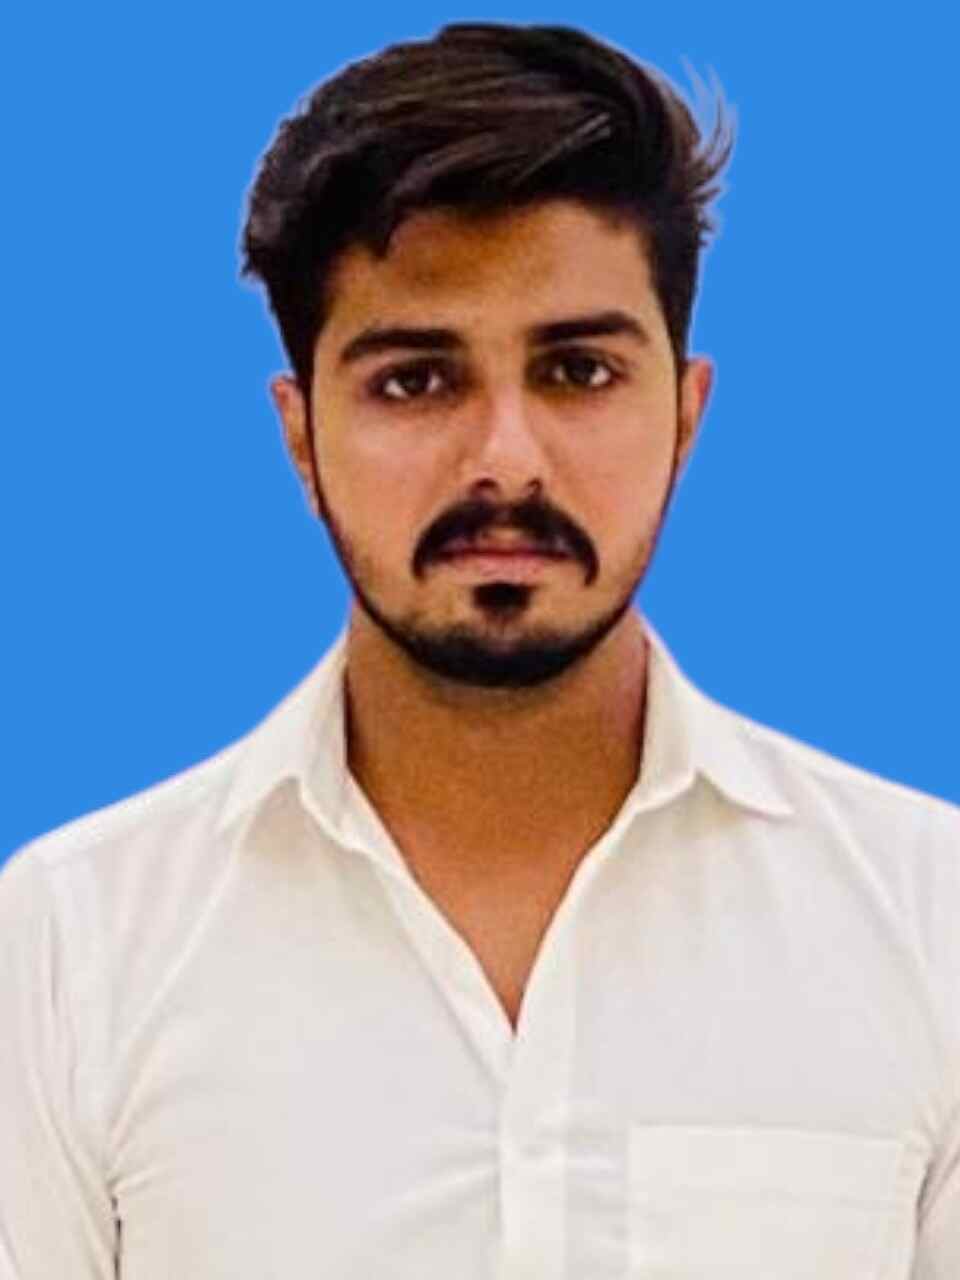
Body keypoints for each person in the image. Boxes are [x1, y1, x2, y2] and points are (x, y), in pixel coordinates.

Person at [1, 21, 957, 1278]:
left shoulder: (928, 920)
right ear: (301, 435)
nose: (506, 459)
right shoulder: (71, 946)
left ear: (685, 415)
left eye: (578, 370)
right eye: (415, 381)